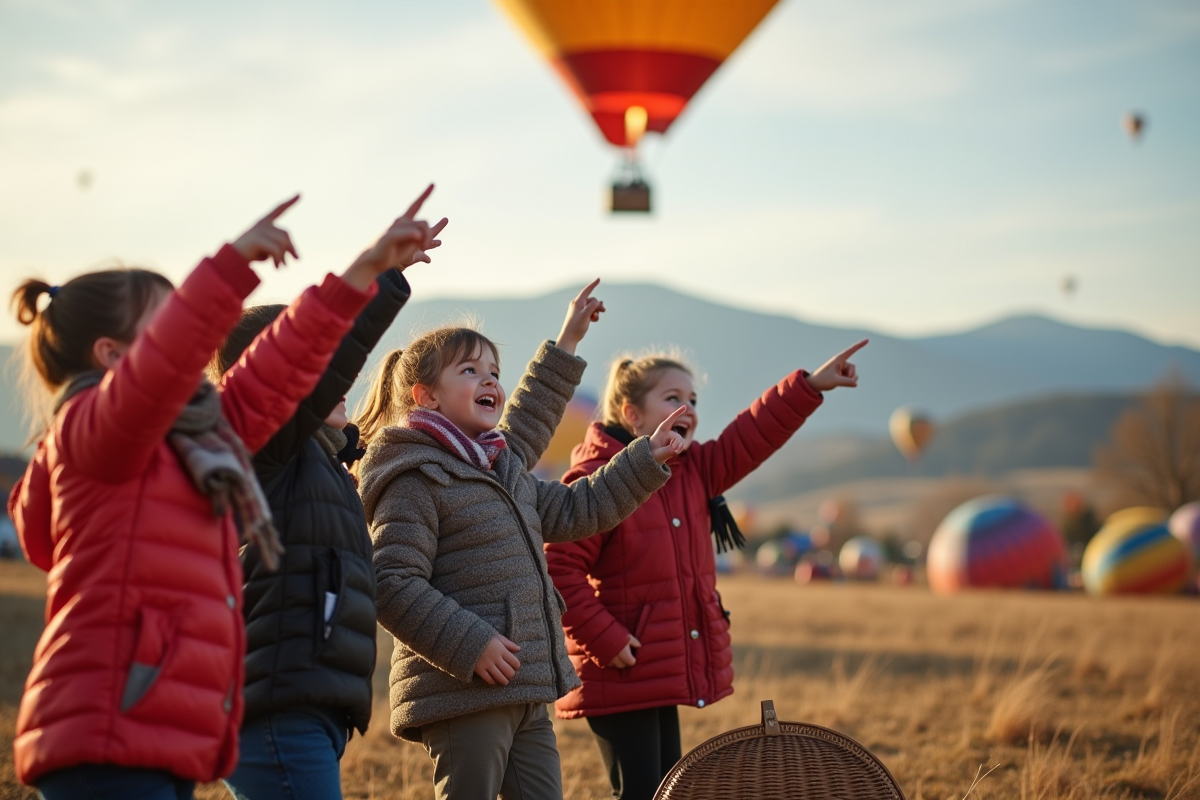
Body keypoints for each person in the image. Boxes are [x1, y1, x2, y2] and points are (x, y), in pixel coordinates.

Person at [7, 193, 439, 800]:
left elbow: (281, 369)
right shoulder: (90, 433)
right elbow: (166, 365)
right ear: (113, 357)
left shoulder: (201, 440)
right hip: (107, 717)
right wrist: (231, 267)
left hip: (165, 723)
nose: (188, 350)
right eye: (165, 326)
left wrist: (365, 271)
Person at [356, 282, 686, 800]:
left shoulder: (501, 469)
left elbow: (584, 506)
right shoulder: (414, 478)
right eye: (470, 371)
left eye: (494, 373)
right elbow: (391, 583)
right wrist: (471, 644)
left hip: (528, 686)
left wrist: (645, 458)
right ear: (426, 396)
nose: (490, 381)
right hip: (464, 692)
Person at [545, 340, 869, 800]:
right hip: (618, 666)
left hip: (652, 667)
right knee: (642, 792)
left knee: (665, 790)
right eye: (673, 398)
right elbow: (557, 570)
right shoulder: (600, 479)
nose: (688, 408)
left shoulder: (692, 469)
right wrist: (606, 638)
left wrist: (810, 386)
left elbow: (751, 434)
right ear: (633, 415)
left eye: (693, 400)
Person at [207, 188, 447, 800]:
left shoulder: (319, 461)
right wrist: (383, 277)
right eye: (317, 363)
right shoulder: (268, 447)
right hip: (279, 701)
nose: (341, 378)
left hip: (307, 700)